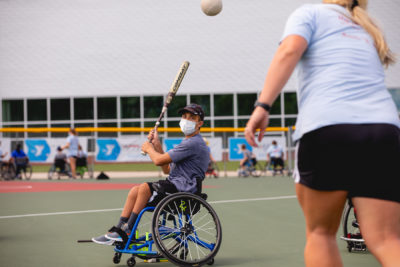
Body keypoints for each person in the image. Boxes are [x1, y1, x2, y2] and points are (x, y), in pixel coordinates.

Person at [244, 1, 400, 266]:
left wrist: (263, 105)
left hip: (328, 128)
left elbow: (289, 50)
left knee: (320, 235)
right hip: (383, 132)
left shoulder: (310, 13)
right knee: (386, 239)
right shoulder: (366, 27)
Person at [92, 103, 209, 245]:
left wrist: (148, 148)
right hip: (178, 188)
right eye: (184, 116)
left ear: (200, 123)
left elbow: (159, 161)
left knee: (144, 188)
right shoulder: (188, 142)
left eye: (192, 118)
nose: (186, 120)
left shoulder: (193, 143)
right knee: (135, 191)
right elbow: (167, 169)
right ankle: (119, 229)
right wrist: (156, 144)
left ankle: (127, 230)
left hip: (185, 192)